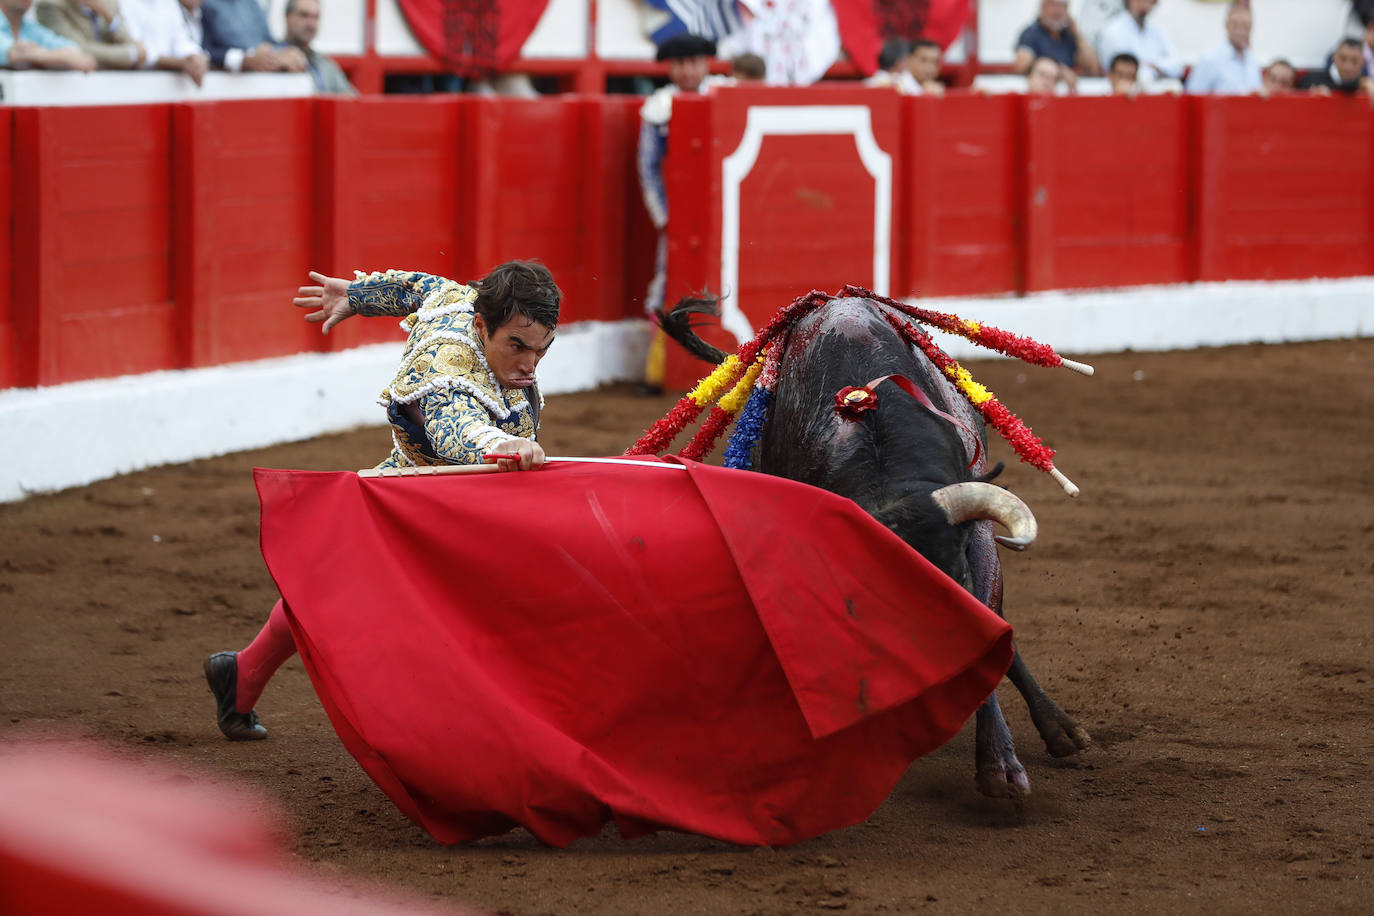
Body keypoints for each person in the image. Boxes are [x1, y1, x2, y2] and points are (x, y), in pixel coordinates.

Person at [205, 261, 561, 741]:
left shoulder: (462, 303)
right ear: (481, 324)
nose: (529, 365)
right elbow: (454, 427)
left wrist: (356, 296)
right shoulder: (443, 362)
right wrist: (498, 444)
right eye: (516, 346)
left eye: (541, 350)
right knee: (377, 608)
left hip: (460, 503)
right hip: (413, 508)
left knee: (331, 590)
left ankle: (241, 673)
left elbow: (422, 288)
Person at [638, 33, 726, 392]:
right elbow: (649, 169)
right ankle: (659, 371)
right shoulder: (659, 107)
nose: (687, 70)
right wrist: (665, 218)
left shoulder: (723, 95)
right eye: (680, 63)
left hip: (723, 211)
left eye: (693, 61)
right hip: (680, 215)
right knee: (666, 285)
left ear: (706, 63)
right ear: (670, 67)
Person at [1013, 0, 1099, 93]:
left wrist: (1077, 34)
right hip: (1042, 93)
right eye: (1052, 5)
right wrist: (1058, 70)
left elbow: (1092, 67)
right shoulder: (1031, 33)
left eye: (1062, 6)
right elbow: (1020, 66)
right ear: (1042, 8)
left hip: (1067, 92)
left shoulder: (1069, 35)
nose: (1057, 11)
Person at [34, 0, 147, 67]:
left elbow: (131, 44)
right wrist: (131, 55)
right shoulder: (51, 5)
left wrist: (108, 15)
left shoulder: (109, 3)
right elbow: (77, 50)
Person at [200, 0, 301, 72]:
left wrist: (288, 53)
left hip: (262, 81)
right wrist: (244, 60)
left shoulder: (252, 4)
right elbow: (205, 49)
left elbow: (269, 41)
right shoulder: (205, 4)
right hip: (229, 83)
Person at [120, 0, 206, 83]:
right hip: (137, 83)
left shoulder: (169, 2)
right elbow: (137, 52)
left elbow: (181, 40)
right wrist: (180, 63)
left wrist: (195, 56)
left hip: (166, 85)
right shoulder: (125, 2)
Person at [1097, 0, 1181, 83]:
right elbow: (1128, 70)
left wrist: (1151, 66)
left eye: (1151, 1)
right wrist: (1159, 66)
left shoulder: (1157, 30)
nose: (1145, 4)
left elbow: (1177, 67)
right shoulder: (1113, 29)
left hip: (1156, 91)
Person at [1185, 3, 1260, 95]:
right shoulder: (1210, 59)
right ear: (1226, 25)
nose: (1241, 31)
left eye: (1245, 26)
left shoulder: (1252, 60)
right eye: (1235, 25)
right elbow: (1193, 95)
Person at [282, 0, 353, 94]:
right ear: (287, 16)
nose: (311, 24)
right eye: (304, 15)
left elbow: (352, 100)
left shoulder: (326, 65)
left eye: (315, 17)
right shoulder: (271, 60)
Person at [1, 0, 96, 68]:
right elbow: (12, 53)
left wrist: (36, 55)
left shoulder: (31, 28)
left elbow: (76, 51)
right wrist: (63, 57)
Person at [1301, 38, 1374, 97]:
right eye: (1343, 59)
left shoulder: (1368, 84)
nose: (1347, 67)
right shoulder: (1311, 80)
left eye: (1354, 61)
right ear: (1334, 57)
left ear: (1363, 62)